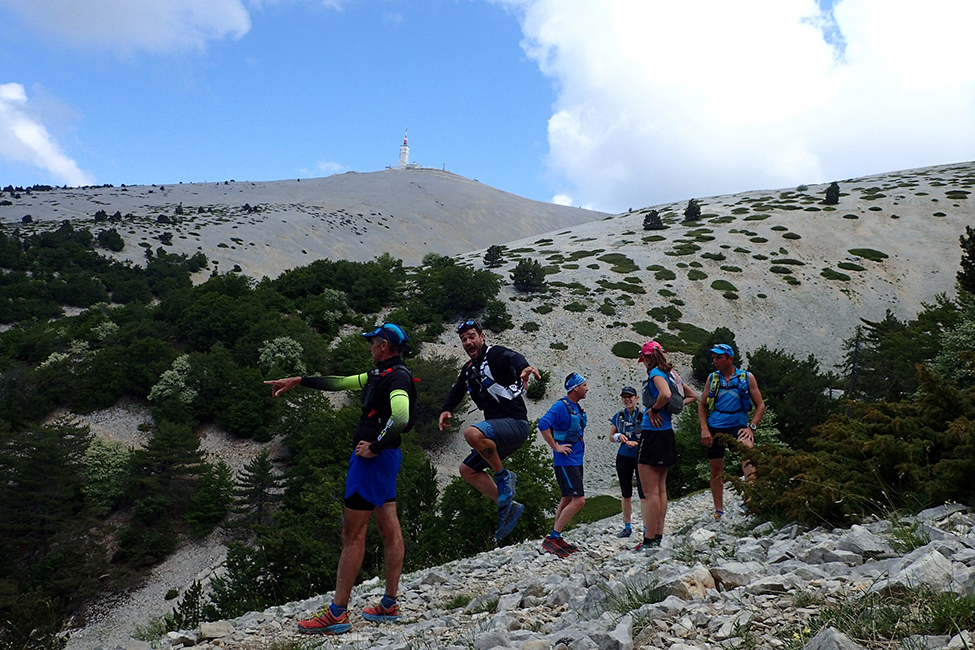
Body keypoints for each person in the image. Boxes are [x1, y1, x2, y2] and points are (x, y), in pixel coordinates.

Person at [264, 323, 417, 636]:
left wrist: (374, 447)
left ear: (385, 345)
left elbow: (401, 417)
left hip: (371, 462)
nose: (369, 347)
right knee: (389, 525)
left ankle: (337, 613)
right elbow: (340, 382)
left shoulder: (396, 376)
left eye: (373, 342)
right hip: (384, 462)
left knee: (352, 534)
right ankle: (389, 603)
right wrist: (299, 380)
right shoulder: (383, 373)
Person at [439, 319, 541, 540]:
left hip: (515, 424)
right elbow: (457, 390)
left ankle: (504, 476)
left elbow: (513, 358)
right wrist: (446, 409)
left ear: (482, 337)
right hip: (497, 434)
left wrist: (524, 368)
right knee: (467, 470)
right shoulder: (468, 369)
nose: (468, 342)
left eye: (472, 336)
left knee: (472, 433)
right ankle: (508, 505)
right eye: (464, 339)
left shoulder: (494, 354)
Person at [636, 341, 698, 551]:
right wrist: (667, 412)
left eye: (643, 358)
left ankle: (649, 538)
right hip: (667, 433)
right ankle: (658, 534)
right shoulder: (672, 374)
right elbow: (691, 396)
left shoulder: (655, 373)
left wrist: (654, 410)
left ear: (647, 358)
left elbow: (666, 394)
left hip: (652, 435)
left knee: (649, 491)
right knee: (661, 489)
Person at [696, 343, 766, 520]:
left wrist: (752, 427)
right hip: (715, 426)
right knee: (716, 468)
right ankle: (719, 510)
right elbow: (702, 405)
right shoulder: (712, 378)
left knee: (748, 452)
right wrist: (704, 429)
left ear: (730, 359)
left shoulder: (746, 377)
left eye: (719, 357)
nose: (715, 360)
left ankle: (750, 499)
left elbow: (760, 405)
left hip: (738, 425)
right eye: (713, 357)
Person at [538, 373, 589, 557]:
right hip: (566, 461)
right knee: (579, 500)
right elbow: (543, 424)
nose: (587, 388)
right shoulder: (561, 406)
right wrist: (555, 446)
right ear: (575, 388)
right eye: (584, 385)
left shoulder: (575, 407)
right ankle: (553, 537)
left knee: (567, 498)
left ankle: (556, 538)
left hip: (575, 459)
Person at [609, 386, 644, 538]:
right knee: (626, 492)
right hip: (623, 456)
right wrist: (619, 437)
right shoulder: (619, 416)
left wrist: (638, 442)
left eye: (630, 396)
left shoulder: (643, 416)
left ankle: (646, 526)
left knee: (644, 492)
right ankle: (627, 526)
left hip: (640, 455)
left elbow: (648, 435)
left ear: (636, 398)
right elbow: (611, 436)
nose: (627, 399)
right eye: (624, 397)